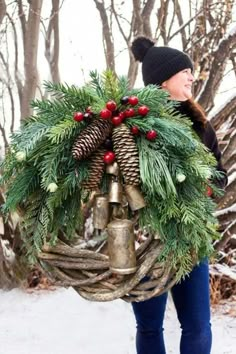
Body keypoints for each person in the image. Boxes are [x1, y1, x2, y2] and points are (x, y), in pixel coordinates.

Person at [130, 36, 228, 354]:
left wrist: (203, 185)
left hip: (190, 239)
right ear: (163, 78)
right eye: (185, 71)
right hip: (144, 242)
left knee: (198, 326)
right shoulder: (134, 123)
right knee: (148, 326)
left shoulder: (200, 124)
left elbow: (220, 176)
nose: (191, 76)